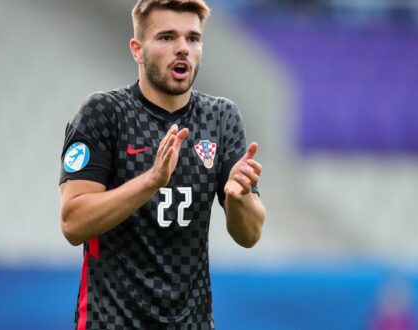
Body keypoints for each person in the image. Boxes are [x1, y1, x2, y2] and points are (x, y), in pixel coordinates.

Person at [58, 1, 266, 328]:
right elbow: (73, 223)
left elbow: (250, 234)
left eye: (193, 38)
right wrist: (151, 182)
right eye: (167, 37)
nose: (182, 48)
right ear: (137, 50)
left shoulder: (221, 118)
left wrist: (240, 200)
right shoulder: (104, 113)